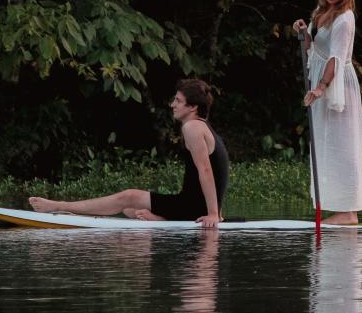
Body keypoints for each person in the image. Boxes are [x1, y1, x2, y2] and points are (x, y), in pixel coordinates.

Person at [28, 78, 228, 227]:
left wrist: (212, 215)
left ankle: (59, 206)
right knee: (129, 210)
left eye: (178, 100)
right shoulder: (204, 127)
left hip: (193, 207)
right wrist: (216, 211)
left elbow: (207, 171)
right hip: (191, 204)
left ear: (193, 107)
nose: (172, 105)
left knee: (128, 197)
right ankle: (161, 219)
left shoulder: (192, 127)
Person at [292, 0, 362, 224]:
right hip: (322, 81)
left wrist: (320, 87)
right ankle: (337, 207)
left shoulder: (345, 18)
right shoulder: (321, 12)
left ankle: (349, 211)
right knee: (325, 145)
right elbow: (313, 48)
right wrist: (303, 32)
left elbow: (336, 58)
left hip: (336, 86)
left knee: (342, 144)